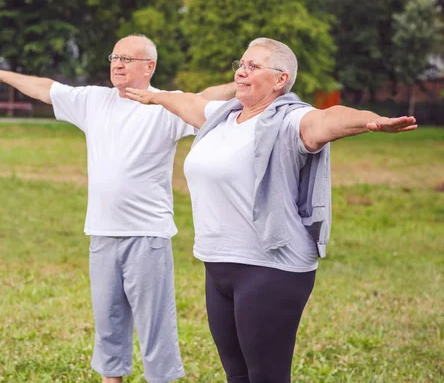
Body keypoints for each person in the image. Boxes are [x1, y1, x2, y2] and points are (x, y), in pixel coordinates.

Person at [125, 37, 417, 383]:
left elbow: (329, 119)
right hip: (218, 266)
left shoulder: (291, 121)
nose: (242, 71)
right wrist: (153, 96)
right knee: (237, 374)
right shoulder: (222, 118)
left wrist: (371, 120)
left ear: (280, 79)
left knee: (267, 376)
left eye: (254, 66)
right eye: (241, 64)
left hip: (270, 267)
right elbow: (187, 102)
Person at [0, 34, 235, 383]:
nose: (118, 64)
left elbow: (205, 98)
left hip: (147, 234)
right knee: (108, 323)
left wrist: (241, 84)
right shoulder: (94, 100)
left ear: (149, 66)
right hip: (102, 232)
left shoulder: (166, 105)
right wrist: (5, 75)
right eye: (114, 57)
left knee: (155, 326)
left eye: (127, 59)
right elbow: (47, 88)